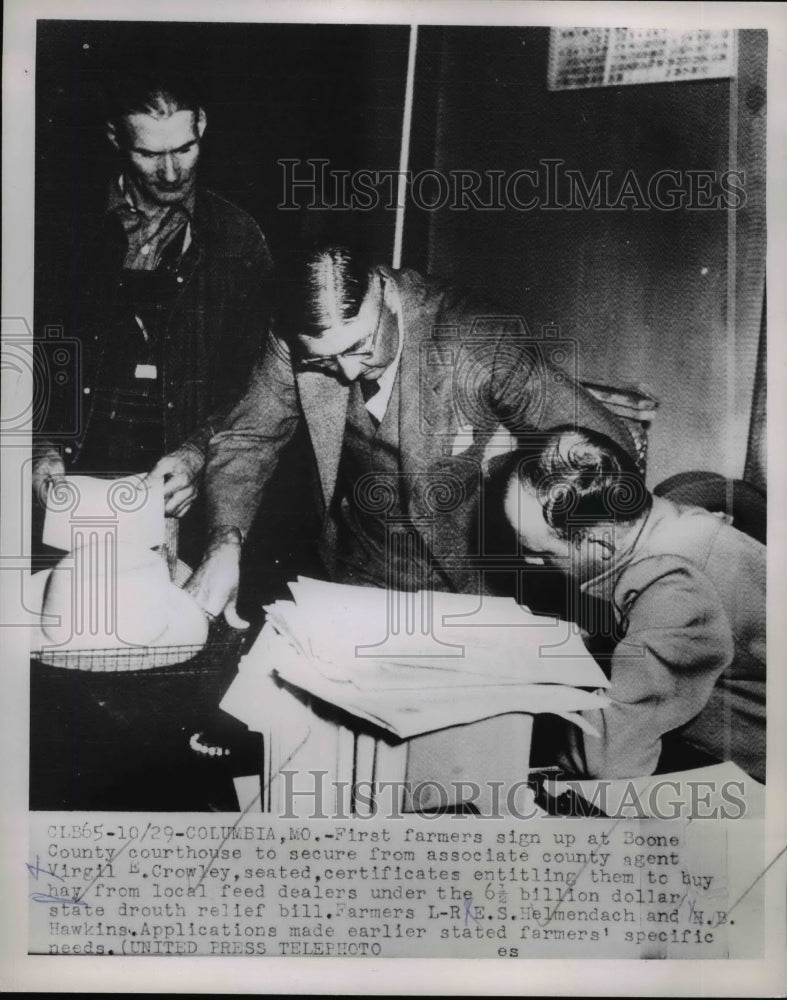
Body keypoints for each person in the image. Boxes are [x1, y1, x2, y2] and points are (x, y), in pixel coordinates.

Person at [185, 244, 637, 624]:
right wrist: (226, 541)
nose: (345, 371)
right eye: (322, 361)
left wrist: (516, 471)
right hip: (363, 567)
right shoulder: (293, 337)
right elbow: (250, 437)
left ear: (383, 289)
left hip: (476, 580)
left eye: (360, 346)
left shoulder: (478, 341)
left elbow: (606, 442)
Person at [33, 67, 274, 563]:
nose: (171, 173)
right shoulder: (56, 228)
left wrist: (199, 452)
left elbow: (259, 386)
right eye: (148, 154)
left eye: (183, 149)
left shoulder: (239, 241)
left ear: (202, 124)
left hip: (177, 491)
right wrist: (37, 444)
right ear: (114, 138)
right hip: (66, 480)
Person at [502, 427, 766, 783]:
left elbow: (611, 758)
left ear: (600, 545)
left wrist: (523, 728)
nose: (527, 562)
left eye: (541, 554)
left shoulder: (673, 589)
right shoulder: (665, 517)